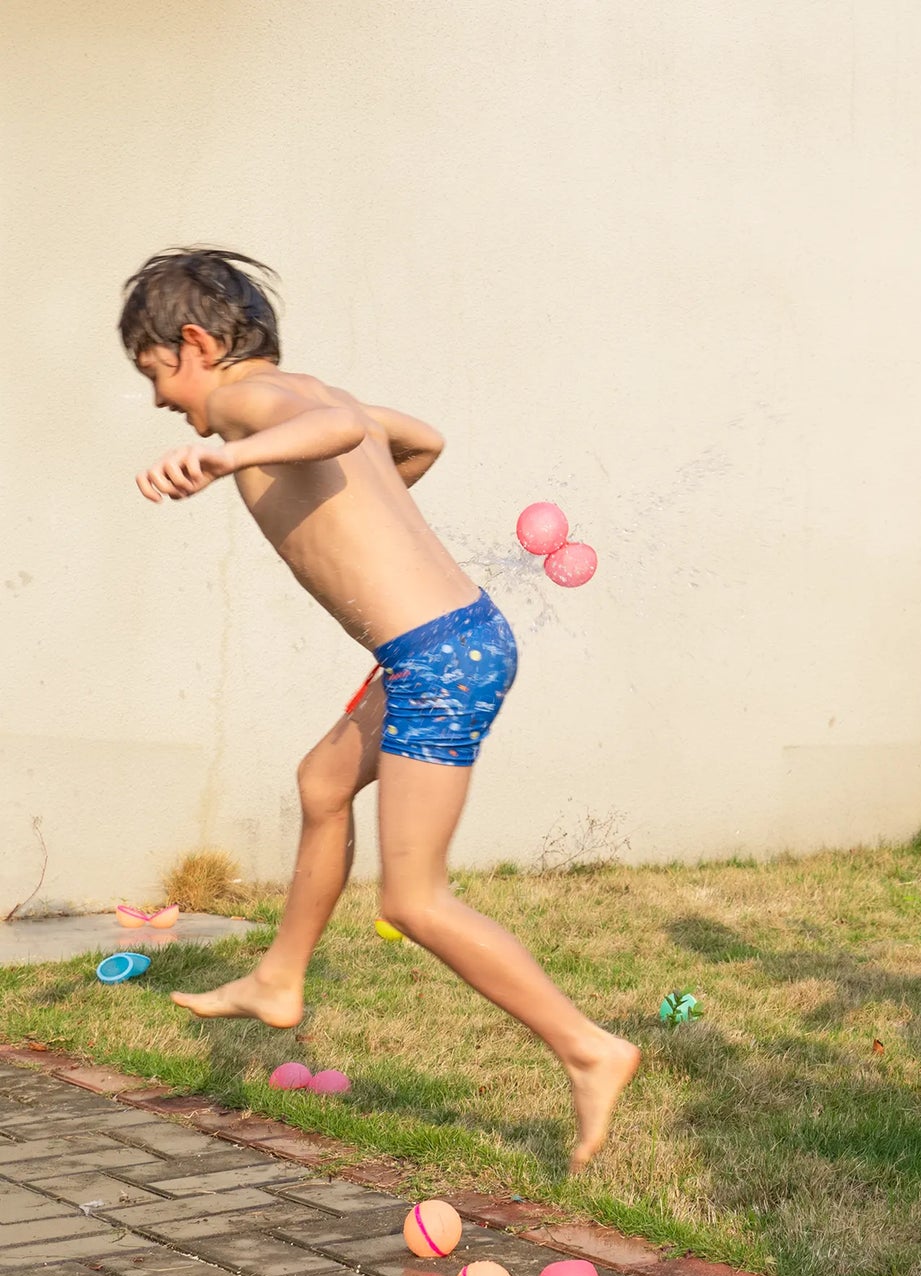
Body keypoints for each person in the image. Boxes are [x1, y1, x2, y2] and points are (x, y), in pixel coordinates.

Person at [119, 248, 638, 1171]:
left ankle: (589, 1048)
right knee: (323, 780)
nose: (162, 400)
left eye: (157, 374)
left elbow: (328, 428)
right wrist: (364, 510)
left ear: (194, 344)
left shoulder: (244, 404)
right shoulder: (305, 391)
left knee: (415, 897)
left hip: (441, 659)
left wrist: (228, 451)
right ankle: (279, 978)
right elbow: (420, 438)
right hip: (440, 644)